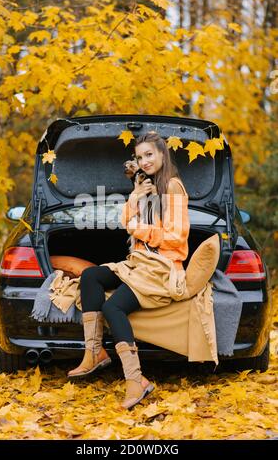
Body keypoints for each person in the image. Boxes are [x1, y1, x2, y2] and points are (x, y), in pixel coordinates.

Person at [67, 132, 190, 410]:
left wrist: (138, 229)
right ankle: (94, 352)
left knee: (113, 308)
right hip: (139, 263)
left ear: (162, 155)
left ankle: (136, 381)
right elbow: (125, 219)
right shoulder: (146, 186)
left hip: (162, 268)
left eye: (149, 155)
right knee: (90, 276)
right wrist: (134, 196)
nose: (144, 161)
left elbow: (176, 237)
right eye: (139, 156)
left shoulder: (173, 187)